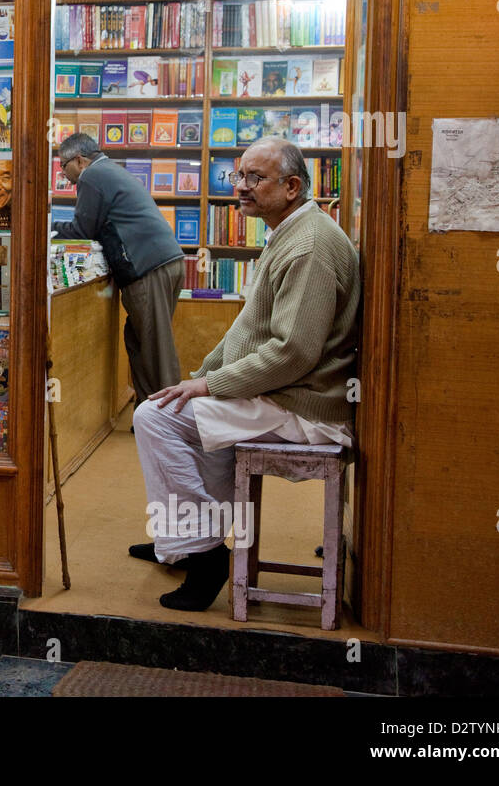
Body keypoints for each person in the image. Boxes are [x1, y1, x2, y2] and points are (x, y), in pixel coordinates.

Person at [129, 137, 360, 612]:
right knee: (195, 420)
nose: (240, 188)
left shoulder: (309, 246)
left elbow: (293, 352)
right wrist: (203, 377)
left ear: (292, 186)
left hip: (307, 404)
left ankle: (204, 553)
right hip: (287, 395)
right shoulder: (292, 231)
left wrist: (210, 385)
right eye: (238, 176)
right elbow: (249, 331)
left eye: (255, 178)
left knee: (154, 417)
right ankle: (185, 543)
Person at [52, 133, 184, 403]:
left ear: (79, 160)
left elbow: (82, 230)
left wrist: (49, 227)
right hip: (165, 261)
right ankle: (149, 411)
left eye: (63, 166)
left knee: (155, 348)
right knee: (138, 339)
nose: (63, 174)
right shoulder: (111, 170)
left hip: (147, 268)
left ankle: (170, 419)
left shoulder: (92, 176)